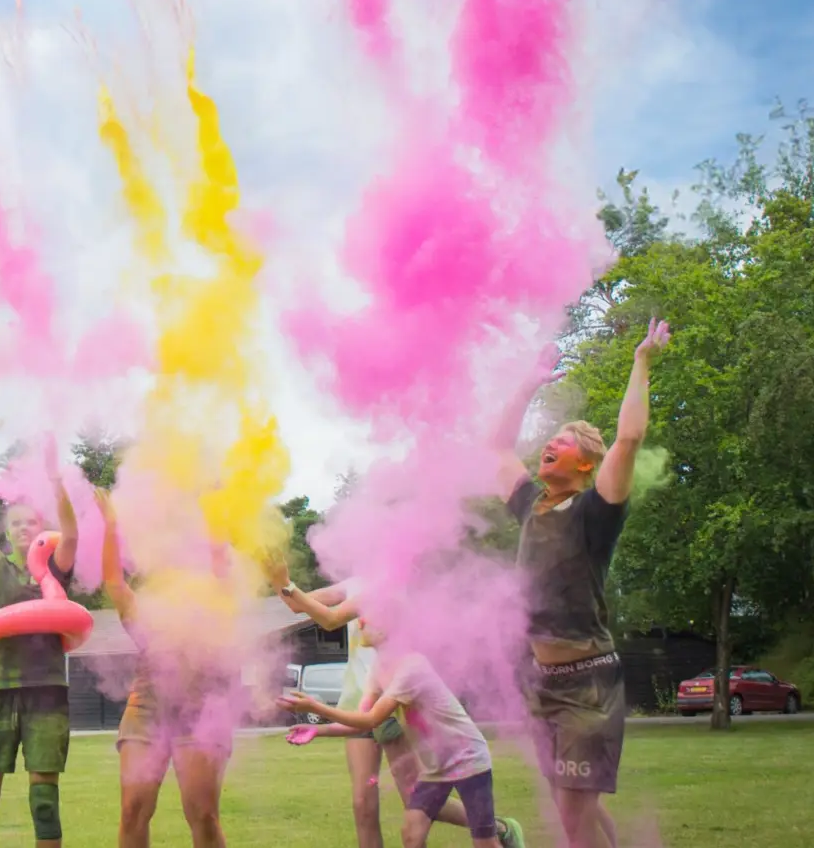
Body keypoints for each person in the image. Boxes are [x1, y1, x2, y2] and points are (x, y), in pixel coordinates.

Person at [490, 319, 669, 848]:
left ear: (586, 463)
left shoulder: (596, 512)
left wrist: (642, 361)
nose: (550, 442)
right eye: (551, 437)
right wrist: (526, 386)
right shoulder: (530, 506)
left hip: (588, 684)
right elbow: (497, 449)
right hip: (543, 684)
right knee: (575, 808)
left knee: (572, 820)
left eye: (563, 442)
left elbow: (630, 436)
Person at [276, 579, 525, 848]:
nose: (359, 623)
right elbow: (363, 722)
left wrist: (314, 706)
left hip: (467, 759)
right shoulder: (378, 670)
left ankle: (502, 832)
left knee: (484, 842)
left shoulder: (410, 668)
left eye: (366, 618)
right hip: (436, 769)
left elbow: (373, 719)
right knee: (411, 835)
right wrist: (317, 728)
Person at [0, 428, 79, 848]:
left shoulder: (56, 568)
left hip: (46, 691)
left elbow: (73, 535)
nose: (25, 529)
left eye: (32, 523)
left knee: (44, 799)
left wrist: (54, 476)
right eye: (17, 524)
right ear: (8, 533)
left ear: (42, 529)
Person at [96, 488, 230, 848]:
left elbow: (222, 573)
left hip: (199, 712)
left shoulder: (209, 603)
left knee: (202, 813)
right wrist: (110, 525)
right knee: (133, 810)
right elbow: (113, 581)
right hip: (145, 710)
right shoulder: (141, 611)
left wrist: (214, 519)